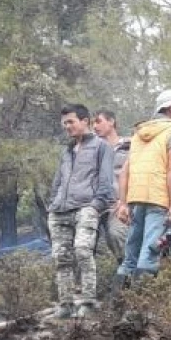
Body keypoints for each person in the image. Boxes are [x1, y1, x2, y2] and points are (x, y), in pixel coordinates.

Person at [113, 90, 171, 286]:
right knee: (150, 252)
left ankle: (118, 306)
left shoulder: (139, 134)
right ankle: (137, 313)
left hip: (137, 199)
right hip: (159, 199)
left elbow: (125, 172)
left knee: (131, 255)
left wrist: (123, 203)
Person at [47, 104, 116, 319]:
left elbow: (106, 181)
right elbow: (58, 181)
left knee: (83, 250)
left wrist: (96, 206)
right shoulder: (67, 150)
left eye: (71, 122)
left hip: (86, 207)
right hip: (59, 211)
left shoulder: (101, 147)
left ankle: (88, 302)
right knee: (61, 258)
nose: (67, 126)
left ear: (85, 121)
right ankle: (65, 306)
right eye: (64, 123)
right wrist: (52, 204)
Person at [93, 110, 130, 264]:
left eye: (98, 121)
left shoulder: (130, 145)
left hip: (120, 203)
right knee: (85, 244)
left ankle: (128, 272)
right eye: (92, 123)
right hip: (96, 203)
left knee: (116, 235)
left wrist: (125, 201)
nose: (94, 126)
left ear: (111, 121)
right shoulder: (92, 148)